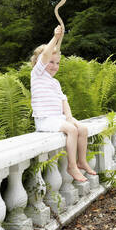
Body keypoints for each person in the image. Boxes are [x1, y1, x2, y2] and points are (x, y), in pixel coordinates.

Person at [30, 25, 96, 182]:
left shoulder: (55, 82)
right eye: (51, 62)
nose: (54, 66)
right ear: (40, 62)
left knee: (83, 128)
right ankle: (71, 166)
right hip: (45, 120)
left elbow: (63, 100)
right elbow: (45, 55)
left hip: (58, 118)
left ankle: (81, 161)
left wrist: (69, 117)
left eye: (57, 63)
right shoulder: (37, 74)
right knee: (72, 131)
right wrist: (56, 38)